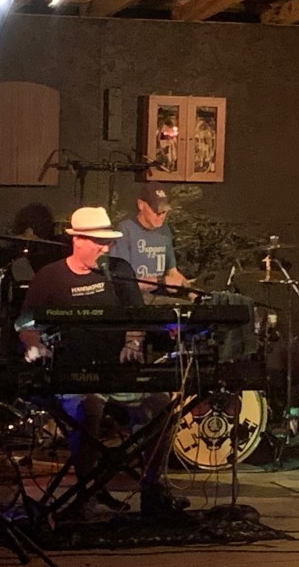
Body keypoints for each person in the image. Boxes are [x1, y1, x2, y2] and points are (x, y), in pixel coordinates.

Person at [17, 206, 183, 516]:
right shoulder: (50, 277)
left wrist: (134, 341)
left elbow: (136, 318)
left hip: (117, 372)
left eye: (108, 242)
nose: (106, 249)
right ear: (78, 240)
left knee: (160, 403)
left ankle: (153, 487)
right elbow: (26, 326)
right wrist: (35, 346)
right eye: (100, 242)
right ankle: (87, 491)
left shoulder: (119, 271)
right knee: (88, 405)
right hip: (72, 375)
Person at [109, 181, 192, 303]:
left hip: (159, 295)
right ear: (141, 205)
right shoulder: (125, 230)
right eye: (156, 211)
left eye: (164, 212)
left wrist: (191, 291)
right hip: (136, 298)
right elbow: (122, 283)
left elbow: (172, 271)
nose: (161, 216)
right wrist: (161, 281)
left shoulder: (164, 230)